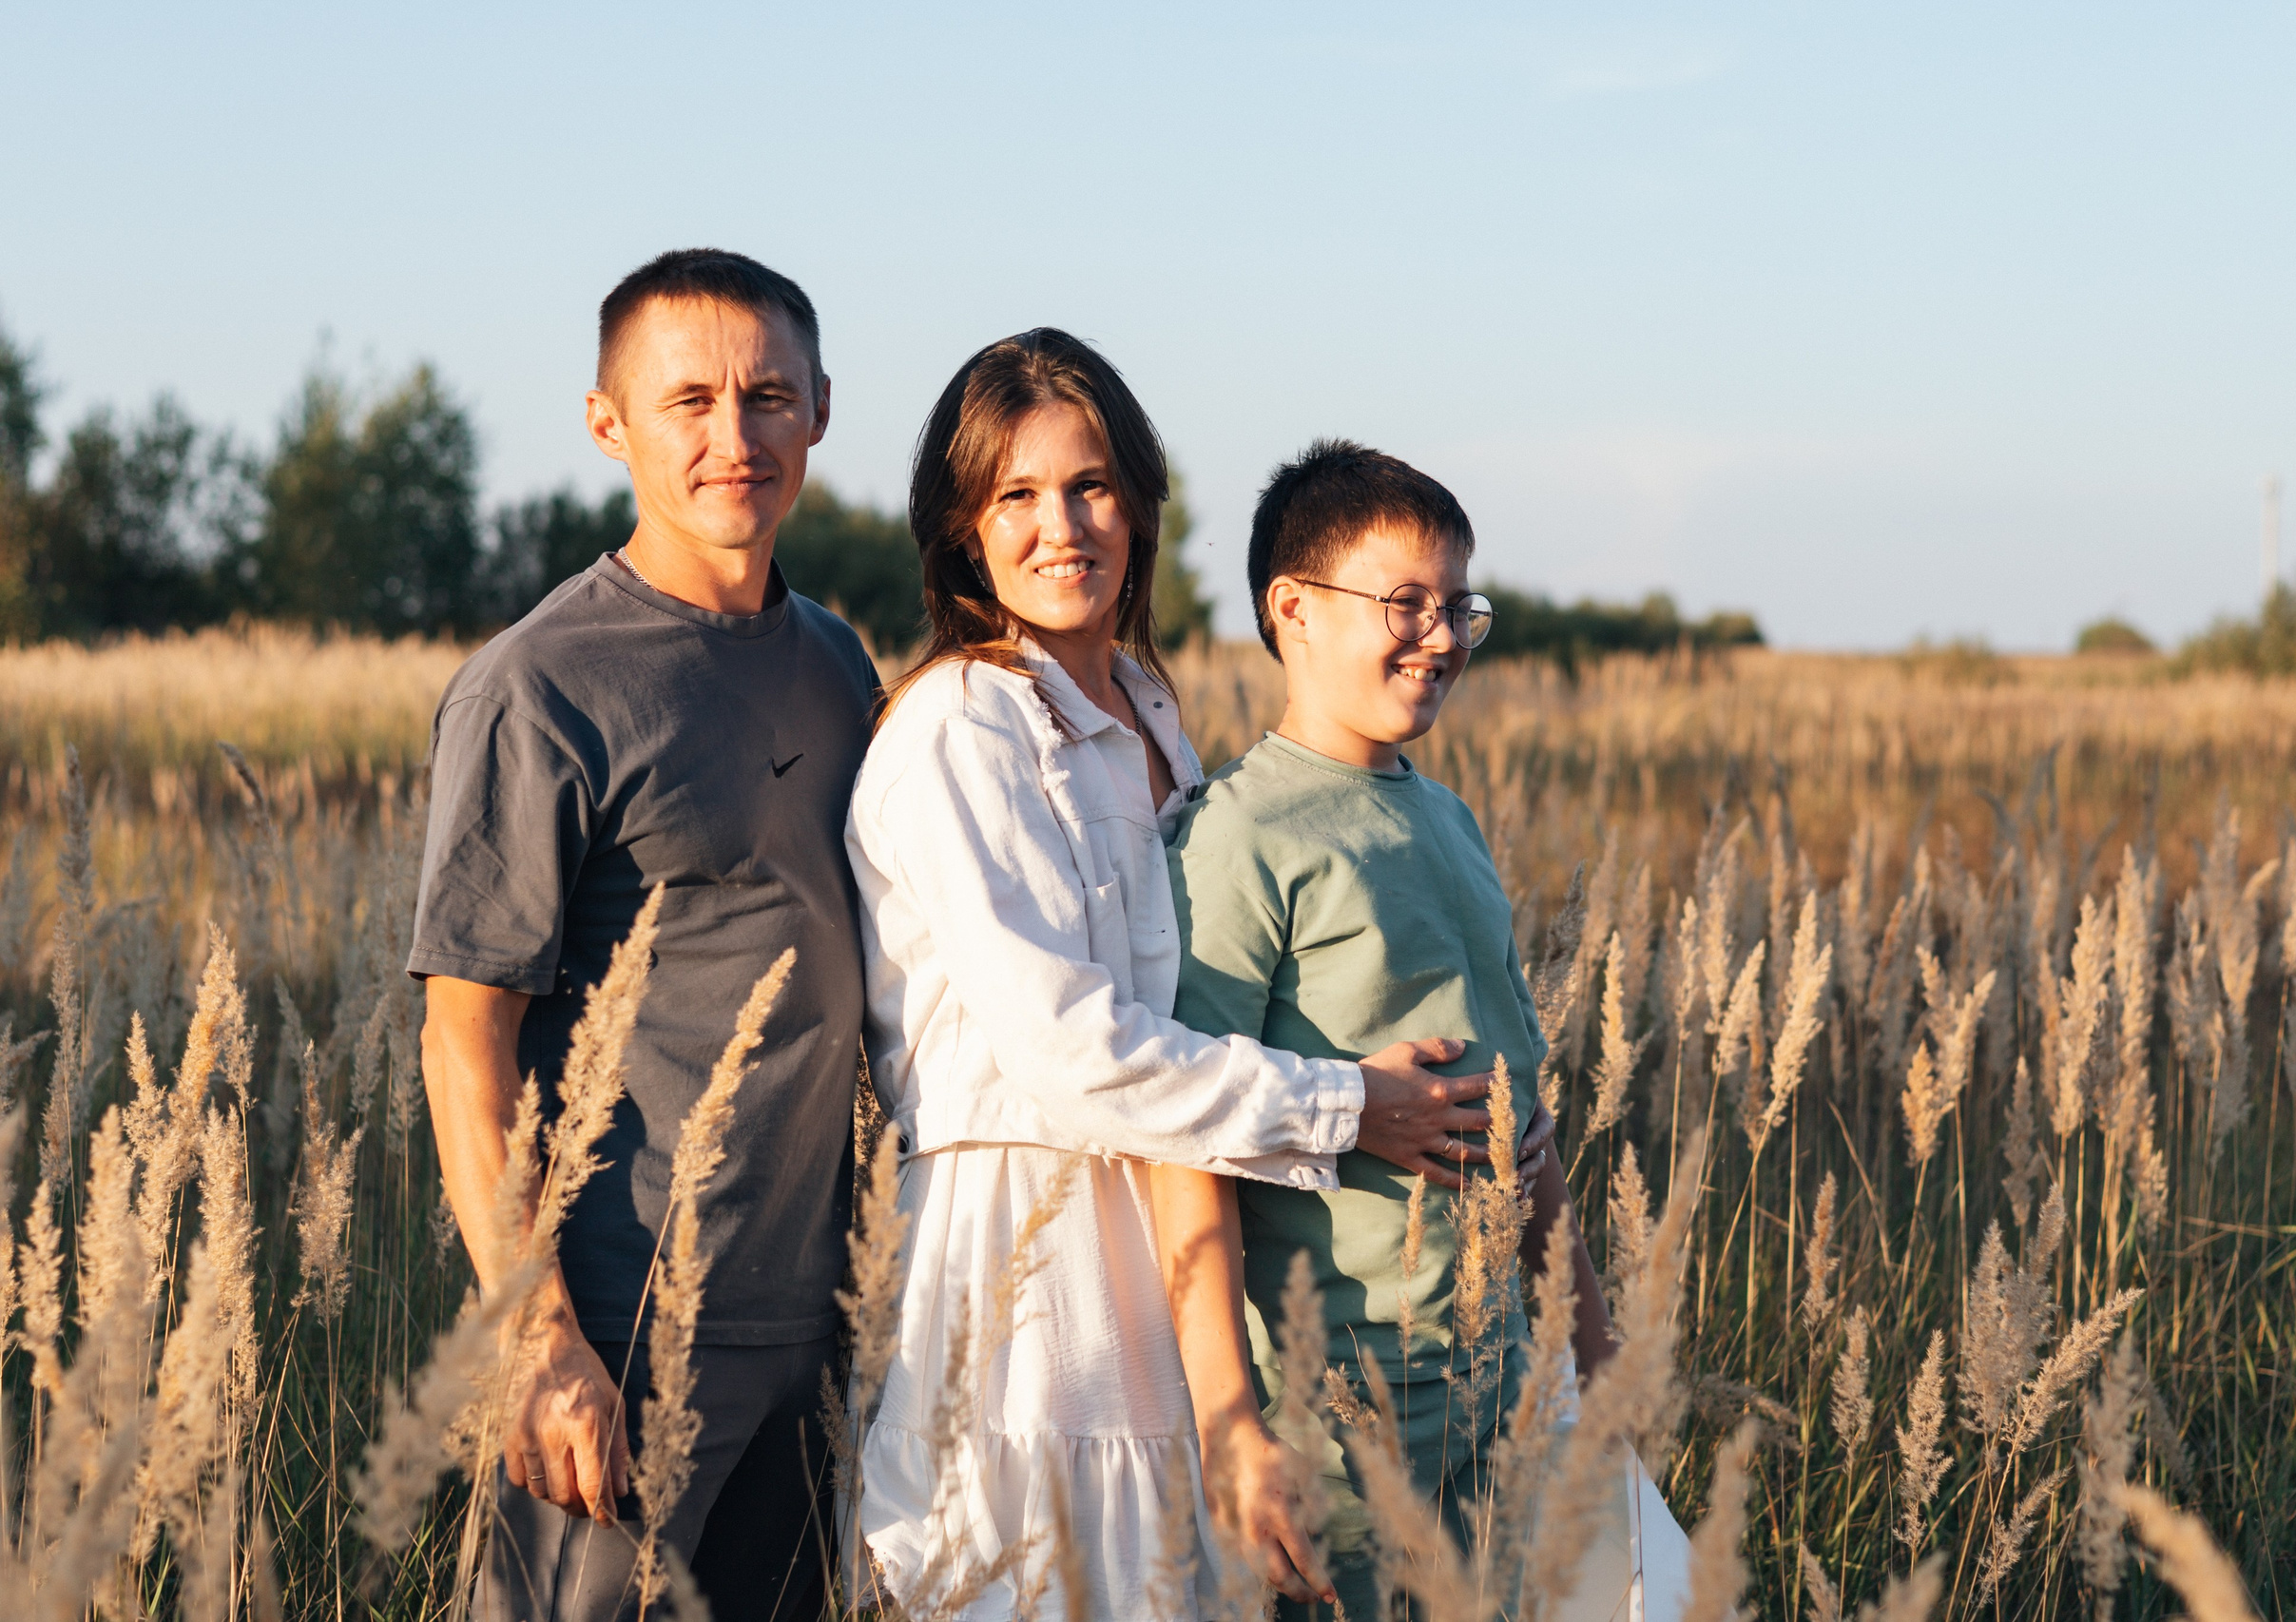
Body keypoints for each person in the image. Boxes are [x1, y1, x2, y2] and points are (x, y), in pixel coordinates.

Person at [845, 330, 1552, 1620]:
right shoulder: (962, 721)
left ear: (1145, 503)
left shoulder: (1150, 712)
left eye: (1094, 485)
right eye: (1016, 495)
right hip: (1034, 1239)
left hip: (1175, 1236)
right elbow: (1071, 1048)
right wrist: (1349, 1106)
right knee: (1036, 1573)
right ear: (961, 531)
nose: (1063, 526)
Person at [413, 248, 876, 1621]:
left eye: (767, 396)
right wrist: (539, 1338)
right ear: (610, 421)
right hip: (624, 1323)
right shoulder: (542, 684)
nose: (734, 437)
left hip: (817, 1316)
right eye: (689, 401)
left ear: (820, 411)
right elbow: (462, 1043)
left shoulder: (840, 664)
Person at [1156, 439, 1681, 1620]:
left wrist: (1597, 1359)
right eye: (1404, 603)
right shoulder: (1237, 838)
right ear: (1291, 608)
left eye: (1459, 607)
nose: (1440, 637)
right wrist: (1232, 1424)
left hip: (1499, 1384)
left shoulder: (1446, 816)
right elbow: (1185, 1136)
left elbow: (1523, 1119)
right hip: (1342, 1404)